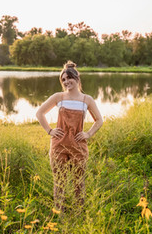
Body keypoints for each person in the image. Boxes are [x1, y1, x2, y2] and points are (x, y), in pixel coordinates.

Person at [36, 61, 103, 212]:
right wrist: (49, 130)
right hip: (58, 145)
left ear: (77, 78)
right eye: (63, 80)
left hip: (79, 145)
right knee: (59, 182)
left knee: (79, 182)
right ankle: (59, 214)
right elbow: (39, 113)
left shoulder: (87, 100)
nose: (66, 82)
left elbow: (99, 120)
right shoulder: (58, 97)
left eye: (68, 78)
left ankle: (79, 213)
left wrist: (88, 133)